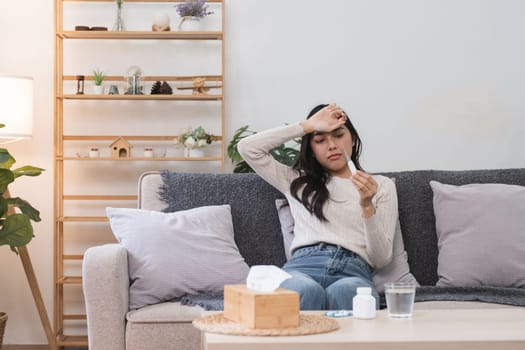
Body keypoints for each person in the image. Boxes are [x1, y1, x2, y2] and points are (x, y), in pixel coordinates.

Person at [238, 103, 398, 310]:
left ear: (353, 139)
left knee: (348, 292)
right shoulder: (295, 180)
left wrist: (367, 206)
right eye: (320, 140)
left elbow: (381, 258)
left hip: (353, 269)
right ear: (311, 149)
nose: (331, 145)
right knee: (304, 290)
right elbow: (247, 148)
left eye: (339, 135)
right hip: (303, 266)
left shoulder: (381, 186)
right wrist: (307, 125)